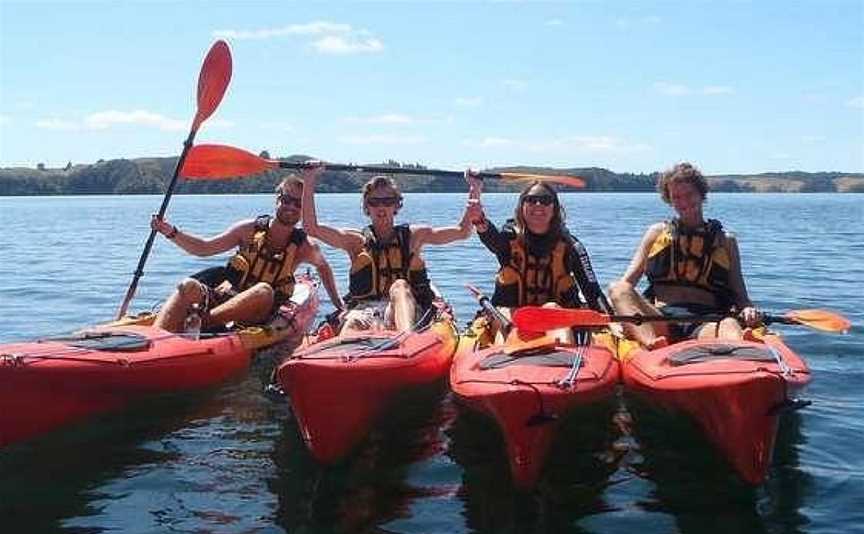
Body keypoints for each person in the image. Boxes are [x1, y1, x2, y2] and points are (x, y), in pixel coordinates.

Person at [150, 174, 344, 333]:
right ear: (277, 199)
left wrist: (340, 306)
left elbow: (324, 269)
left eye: (298, 203)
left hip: (260, 312)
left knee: (263, 290)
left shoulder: (305, 247)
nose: (291, 206)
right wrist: (170, 231)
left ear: (303, 209)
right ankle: (156, 339)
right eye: (287, 200)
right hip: (227, 298)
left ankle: (202, 323)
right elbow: (204, 247)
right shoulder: (248, 229)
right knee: (188, 286)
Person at [300, 164, 473, 333]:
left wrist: (475, 188)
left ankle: (407, 339)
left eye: (388, 201)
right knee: (352, 322)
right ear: (367, 207)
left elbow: (462, 232)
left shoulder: (415, 236)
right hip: (367, 310)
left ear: (397, 205)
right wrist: (309, 180)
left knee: (399, 286)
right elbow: (311, 228)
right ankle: (345, 354)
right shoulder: (355, 241)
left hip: (405, 307)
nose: (381, 207)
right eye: (375, 202)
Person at [607, 161, 760, 348]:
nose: (684, 202)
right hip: (661, 319)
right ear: (669, 200)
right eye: (677, 197)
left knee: (727, 324)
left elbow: (739, 293)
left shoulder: (725, 241)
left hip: (705, 320)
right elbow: (627, 284)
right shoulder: (656, 233)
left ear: (701, 195)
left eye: (689, 195)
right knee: (617, 288)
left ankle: (739, 348)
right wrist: (614, 317)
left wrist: (748, 309)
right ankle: (652, 344)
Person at [465, 174, 611, 342]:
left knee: (553, 309)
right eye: (531, 200)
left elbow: (592, 291)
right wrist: (478, 217)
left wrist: (609, 320)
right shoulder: (509, 239)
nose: (538, 204)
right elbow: (490, 237)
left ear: (555, 208)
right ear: (522, 206)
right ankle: (504, 358)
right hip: (512, 318)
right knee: (506, 313)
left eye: (545, 200)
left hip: (555, 320)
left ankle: (564, 356)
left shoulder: (571, 246)